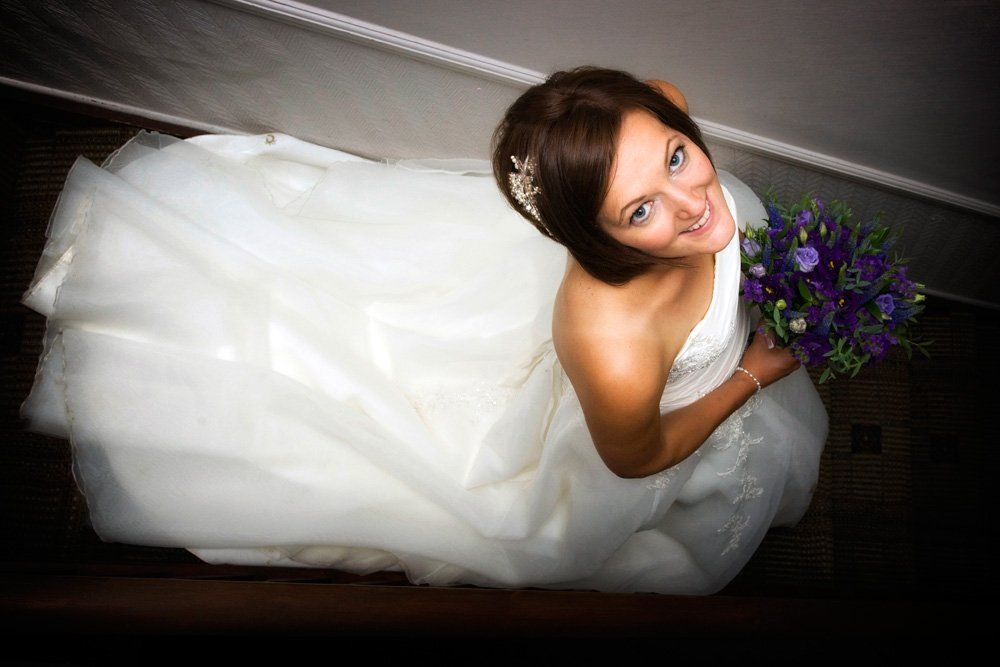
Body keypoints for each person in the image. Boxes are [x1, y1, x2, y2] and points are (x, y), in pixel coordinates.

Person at [19, 65, 829, 595]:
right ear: (596, 237)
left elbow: (666, 111)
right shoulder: (615, 350)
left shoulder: (691, 175)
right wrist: (747, 377)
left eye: (678, 156)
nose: (693, 204)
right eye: (640, 210)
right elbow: (637, 455)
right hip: (656, 424)